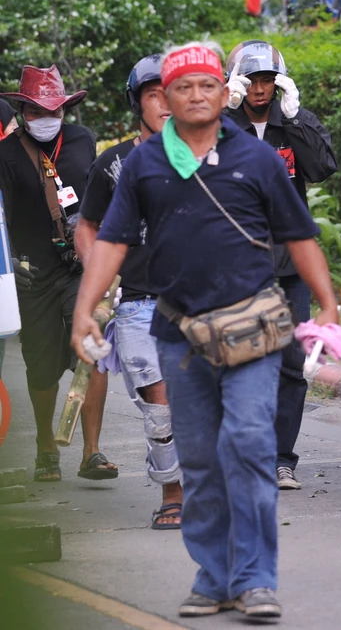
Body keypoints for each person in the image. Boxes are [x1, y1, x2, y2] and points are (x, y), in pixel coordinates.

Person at [71, 41, 339, 619]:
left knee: (248, 444)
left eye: (207, 85)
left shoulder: (259, 158)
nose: (195, 95)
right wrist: (84, 309)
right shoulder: (142, 163)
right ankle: (214, 577)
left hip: (251, 329)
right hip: (177, 332)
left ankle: (256, 579)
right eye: (182, 87)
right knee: (197, 459)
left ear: (225, 93)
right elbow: (111, 240)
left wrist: (327, 303)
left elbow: (299, 234)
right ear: (165, 98)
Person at [222, 40, 337, 491]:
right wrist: (224, 110)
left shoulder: (289, 126)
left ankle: (281, 459)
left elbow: (324, 165)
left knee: (292, 364)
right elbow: (190, 160)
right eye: (251, 81)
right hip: (236, 264)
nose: (259, 89)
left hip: (289, 266)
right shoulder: (223, 123)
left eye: (268, 80)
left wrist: (296, 116)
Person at [74, 55, 182, 528]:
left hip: (201, 304)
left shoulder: (213, 154)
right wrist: (96, 273)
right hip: (138, 304)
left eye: (172, 91)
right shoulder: (112, 163)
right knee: (159, 413)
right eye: (153, 93)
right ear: (136, 102)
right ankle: (173, 493)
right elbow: (88, 226)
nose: (165, 102)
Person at [0, 65, 118, 482]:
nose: (46, 118)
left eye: (55, 110)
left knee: (93, 349)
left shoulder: (84, 142)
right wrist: (11, 265)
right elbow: (2, 218)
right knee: (42, 363)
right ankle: (45, 446)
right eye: (36, 111)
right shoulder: (7, 154)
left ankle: (91, 452)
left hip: (80, 268)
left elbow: (102, 197)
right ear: (23, 111)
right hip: (33, 275)